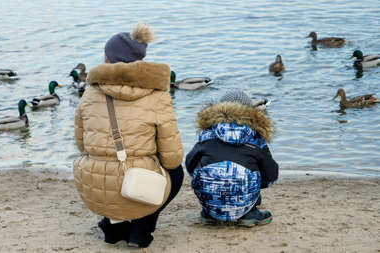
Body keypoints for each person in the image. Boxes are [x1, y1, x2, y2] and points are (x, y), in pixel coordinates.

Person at [73, 23, 184, 248]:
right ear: (140, 62)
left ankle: (114, 226)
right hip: (135, 178)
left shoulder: (89, 92)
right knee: (176, 172)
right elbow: (172, 157)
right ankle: (141, 228)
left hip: (94, 180)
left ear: (107, 60)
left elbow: (81, 144)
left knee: (104, 163)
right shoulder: (157, 95)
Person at [185, 89, 278, 227]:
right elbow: (271, 174)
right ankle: (249, 212)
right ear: (250, 112)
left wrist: (204, 175)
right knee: (254, 166)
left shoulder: (207, 134)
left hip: (210, 201)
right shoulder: (256, 137)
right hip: (245, 198)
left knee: (204, 165)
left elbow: (189, 163)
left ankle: (210, 213)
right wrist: (258, 183)